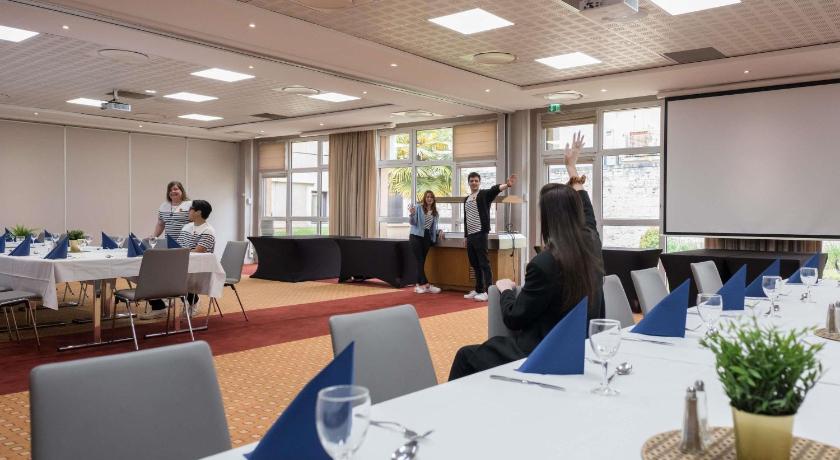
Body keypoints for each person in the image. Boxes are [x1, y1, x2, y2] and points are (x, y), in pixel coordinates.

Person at [448, 132, 604, 380]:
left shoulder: (544, 263)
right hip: (583, 348)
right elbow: (587, 209)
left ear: (548, 218)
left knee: (465, 356)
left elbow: (515, 317)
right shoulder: (592, 244)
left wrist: (505, 290)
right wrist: (571, 167)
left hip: (541, 353)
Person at [140, 200, 216, 319]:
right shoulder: (187, 227)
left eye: (190, 209)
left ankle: (194, 302)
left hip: (197, 268)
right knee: (149, 272)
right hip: (182, 263)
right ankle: (158, 307)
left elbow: (198, 251)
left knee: (166, 275)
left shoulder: (208, 230)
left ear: (198, 212)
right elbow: (178, 246)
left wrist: (178, 253)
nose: (188, 211)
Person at [462, 171, 517, 302]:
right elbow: (466, 219)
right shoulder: (466, 199)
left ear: (479, 182)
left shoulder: (483, 194)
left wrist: (507, 185)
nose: (474, 183)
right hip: (470, 236)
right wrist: (466, 236)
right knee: (474, 263)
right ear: (468, 183)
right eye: (471, 181)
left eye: (476, 181)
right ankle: (479, 289)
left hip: (480, 233)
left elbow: (494, 190)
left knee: (484, 263)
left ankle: (488, 292)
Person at [141, 181, 193, 319]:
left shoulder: (189, 205)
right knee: (161, 273)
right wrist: (154, 236)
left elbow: (194, 224)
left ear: (182, 191)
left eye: (176, 189)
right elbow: (160, 224)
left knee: (180, 276)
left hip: (184, 245)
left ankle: (193, 302)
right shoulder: (164, 206)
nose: (173, 191)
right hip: (169, 246)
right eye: (170, 189)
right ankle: (159, 307)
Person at [408, 190, 445, 294]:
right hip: (416, 236)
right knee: (420, 260)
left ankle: (418, 285)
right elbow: (412, 222)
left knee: (422, 262)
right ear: (424, 198)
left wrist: (440, 231)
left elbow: (432, 228)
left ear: (433, 199)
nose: (429, 199)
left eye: (431, 197)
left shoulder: (435, 213)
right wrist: (412, 214)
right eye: (427, 197)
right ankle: (426, 285)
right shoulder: (418, 208)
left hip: (426, 237)